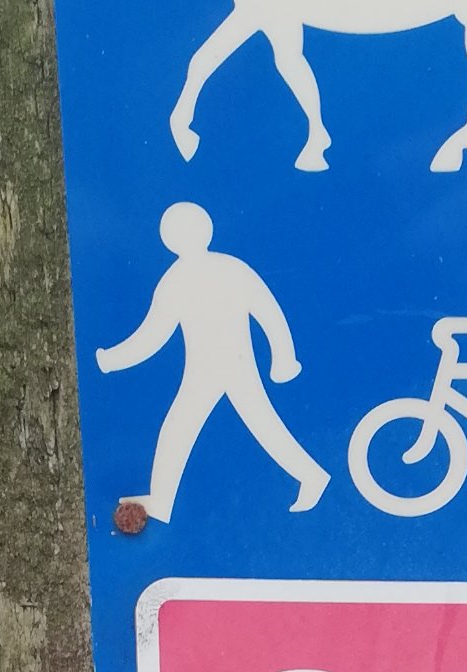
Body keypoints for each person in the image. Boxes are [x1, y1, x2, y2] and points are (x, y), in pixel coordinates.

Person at [96, 201, 329, 520]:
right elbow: (153, 335)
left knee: (224, 425)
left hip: (226, 366)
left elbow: (266, 310)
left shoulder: (188, 277)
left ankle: (312, 476)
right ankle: (162, 501)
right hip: (209, 369)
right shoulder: (214, 271)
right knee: (193, 427)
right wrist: (283, 359)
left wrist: (111, 360)